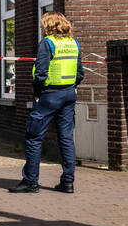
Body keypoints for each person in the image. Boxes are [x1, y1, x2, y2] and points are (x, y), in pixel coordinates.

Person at [10, 11, 84, 194]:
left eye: (43, 24)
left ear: (48, 25)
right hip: (68, 95)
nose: (42, 27)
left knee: (34, 137)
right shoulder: (73, 43)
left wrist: (37, 94)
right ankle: (68, 182)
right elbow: (80, 72)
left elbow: (40, 73)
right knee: (66, 138)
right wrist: (70, 87)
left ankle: (31, 181)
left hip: (49, 95)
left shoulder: (47, 43)